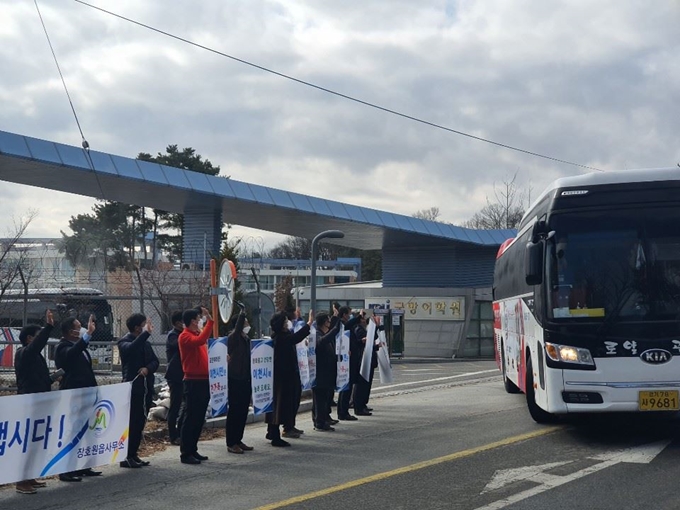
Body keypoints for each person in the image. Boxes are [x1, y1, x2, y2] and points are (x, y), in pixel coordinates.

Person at [54, 315, 102, 481]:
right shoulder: (62, 347)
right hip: (75, 395)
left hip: (87, 394)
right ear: (70, 331)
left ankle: (84, 466)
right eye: (79, 327)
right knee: (73, 431)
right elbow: (72, 355)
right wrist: (87, 334)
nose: (81, 329)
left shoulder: (77, 346)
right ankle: (66, 469)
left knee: (87, 431)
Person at [13, 310, 54, 494]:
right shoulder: (24, 353)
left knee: (36, 441)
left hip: (41, 400)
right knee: (28, 442)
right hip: (29, 402)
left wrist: (52, 378)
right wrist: (49, 327)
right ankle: (21, 481)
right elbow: (35, 347)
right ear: (29, 338)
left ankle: (30, 477)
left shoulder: (36, 356)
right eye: (38, 337)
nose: (42, 341)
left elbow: (38, 377)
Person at [265, 309, 313, 446]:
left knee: (285, 405)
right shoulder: (280, 338)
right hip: (281, 378)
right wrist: (308, 324)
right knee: (279, 406)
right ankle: (275, 435)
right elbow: (295, 338)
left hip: (288, 376)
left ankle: (279, 429)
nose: (288, 323)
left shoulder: (283, 335)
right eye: (285, 321)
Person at [117, 313, 159, 468]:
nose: (147, 327)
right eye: (144, 325)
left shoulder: (146, 344)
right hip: (133, 390)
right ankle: (125, 455)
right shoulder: (124, 341)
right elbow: (131, 350)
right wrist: (146, 333)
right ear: (137, 328)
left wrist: (148, 369)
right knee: (131, 423)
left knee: (140, 422)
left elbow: (155, 361)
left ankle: (134, 453)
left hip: (146, 388)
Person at [178, 306, 214, 464]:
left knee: (199, 418)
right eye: (199, 319)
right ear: (193, 321)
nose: (201, 321)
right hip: (193, 380)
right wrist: (210, 323)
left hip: (203, 380)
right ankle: (186, 452)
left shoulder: (196, 334)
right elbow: (200, 341)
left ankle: (193, 449)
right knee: (191, 417)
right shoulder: (185, 336)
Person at [226, 302, 254, 454]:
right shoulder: (234, 337)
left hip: (245, 378)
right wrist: (242, 312)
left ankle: (238, 439)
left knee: (243, 410)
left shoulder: (246, 338)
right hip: (235, 378)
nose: (248, 324)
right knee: (235, 410)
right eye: (245, 321)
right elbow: (237, 331)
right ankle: (231, 442)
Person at [313, 308, 340, 431]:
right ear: (324, 322)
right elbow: (321, 342)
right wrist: (335, 330)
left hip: (327, 372)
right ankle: (320, 421)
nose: (330, 323)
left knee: (325, 398)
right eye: (328, 321)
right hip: (320, 372)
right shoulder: (317, 334)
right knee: (320, 399)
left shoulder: (324, 333)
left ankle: (323, 419)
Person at [282, 307, 306, 439]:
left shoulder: (290, 333)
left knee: (295, 399)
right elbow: (297, 337)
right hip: (287, 374)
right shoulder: (283, 337)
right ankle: (287, 427)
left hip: (295, 370)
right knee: (289, 402)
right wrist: (308, 324)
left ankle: (291, 425)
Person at [338, 310, 366, 421]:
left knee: (348, 388)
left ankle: (344, 411)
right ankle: (342, 412)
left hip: (352, 360)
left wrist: (361, 341)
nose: (349, 316)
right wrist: (359, 316)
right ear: (344, 315)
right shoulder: (341, 325)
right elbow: (349, 324)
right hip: (346, 361)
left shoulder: (349, 328)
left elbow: (353, 342)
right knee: (345, 389)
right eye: (348, 314)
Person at [165, 311, 185, 446]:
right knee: (175, 405)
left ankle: (182, 432)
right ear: (178, 323)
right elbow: (179, 345)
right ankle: (173, 435)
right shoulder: (173, 336)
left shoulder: (182, 334)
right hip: (175, 376)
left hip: (185, 374)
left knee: (186, 405)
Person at [353, 315, 379, 416]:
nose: (365, 321)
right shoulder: (358, 330)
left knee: (366, 385)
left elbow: (373, 338)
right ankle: (359, 406)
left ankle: (363, 404)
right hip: (363, 361)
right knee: (361, 385)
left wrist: (376, 326)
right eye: (363, 319)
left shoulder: (364, 329)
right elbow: (363, 344)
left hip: (368, 360)